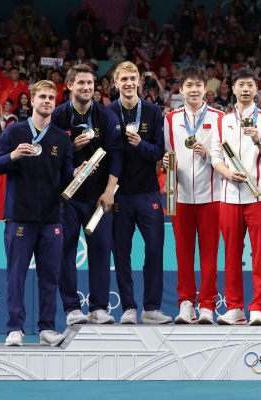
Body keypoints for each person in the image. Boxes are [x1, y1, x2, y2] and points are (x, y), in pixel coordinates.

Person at [0, 80, 80, 347]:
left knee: (50, 276)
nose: (47, 101)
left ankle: (47, 329)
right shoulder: (14, 132)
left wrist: (79, 173)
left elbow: (66, 176)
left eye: (52, 97)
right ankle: (15, 328)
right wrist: (13, 156)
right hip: (19, 216)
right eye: (42, 96)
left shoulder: (61, 138)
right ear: (32, 101)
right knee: (16, 275)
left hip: (52, 217)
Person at [51, 64, 124, 326]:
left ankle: (98, 308)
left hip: (98, 197)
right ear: (69, 85)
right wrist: (69, 148)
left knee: (102, 250)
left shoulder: (106, 116)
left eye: (90, 83)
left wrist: (109, 191)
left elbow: (117, 155)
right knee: (65, 251)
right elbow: (49, 155)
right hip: (67, 197)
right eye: (81, 83)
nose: (86, 87)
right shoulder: (58, 116)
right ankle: (72, 309)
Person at [210, 67, 261, 325]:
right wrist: (227, 173)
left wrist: (259, 141)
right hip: (229, 197)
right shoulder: (222, 121)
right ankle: (235, 308)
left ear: (256, 89)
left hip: (259, 198)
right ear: (233, 89)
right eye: (241, 85)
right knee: (231, 255)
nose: (246, 89)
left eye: (250, 85)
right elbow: (215, 155)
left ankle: (258, 307)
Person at [108, 61, 172, 324]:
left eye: (132, 78)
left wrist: (139, 144)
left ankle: (151, 308)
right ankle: (128, 308)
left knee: (155, 249)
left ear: (139, 82)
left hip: (148, 192)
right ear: (116, 83)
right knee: (121, 252)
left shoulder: (153, 111)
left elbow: (159, 152)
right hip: (119, 195)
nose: (128, 83)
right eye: (123, 79)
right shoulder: (108, 113)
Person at [162, 66, 224, 324]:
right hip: (181, 196)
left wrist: (208, 154)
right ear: (181, 89)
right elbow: (167, 154)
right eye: (189, 85)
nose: (194, 90)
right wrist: (167, 163)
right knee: (183, 253)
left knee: (210, 254)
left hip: (213, 194)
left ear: (206, 88)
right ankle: (186, 303)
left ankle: (208, 304)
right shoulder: (170, 119)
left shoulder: (220, 118)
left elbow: (226, 155)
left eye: (198, 85)